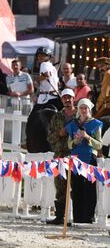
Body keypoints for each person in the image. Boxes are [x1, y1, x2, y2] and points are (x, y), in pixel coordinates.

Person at [65, 98, 102, 224]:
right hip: (76, 160)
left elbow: (99, 145)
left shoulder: (95, 124)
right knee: (76, 188)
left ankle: (88, 218)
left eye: (85, 108)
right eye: (81, 108)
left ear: (89, 109)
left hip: (89, 159)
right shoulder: (73, 124)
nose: (83, 110)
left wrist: (87, 137)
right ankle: (78, 217)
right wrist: (75, 141)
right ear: (79, 109)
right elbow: (69, 145)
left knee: (89, 189)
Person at [46, 89, 77, 225]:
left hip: (76, 155)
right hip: (60, 155)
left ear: (73, 98)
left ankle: (78, 217)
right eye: (64, 98)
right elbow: (50, 137)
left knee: (76, 187)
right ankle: (60, 217)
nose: (67, 100)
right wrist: (60, 133)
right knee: (60, 186)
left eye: (69, 97)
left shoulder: (79, 114)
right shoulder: (57, 117)